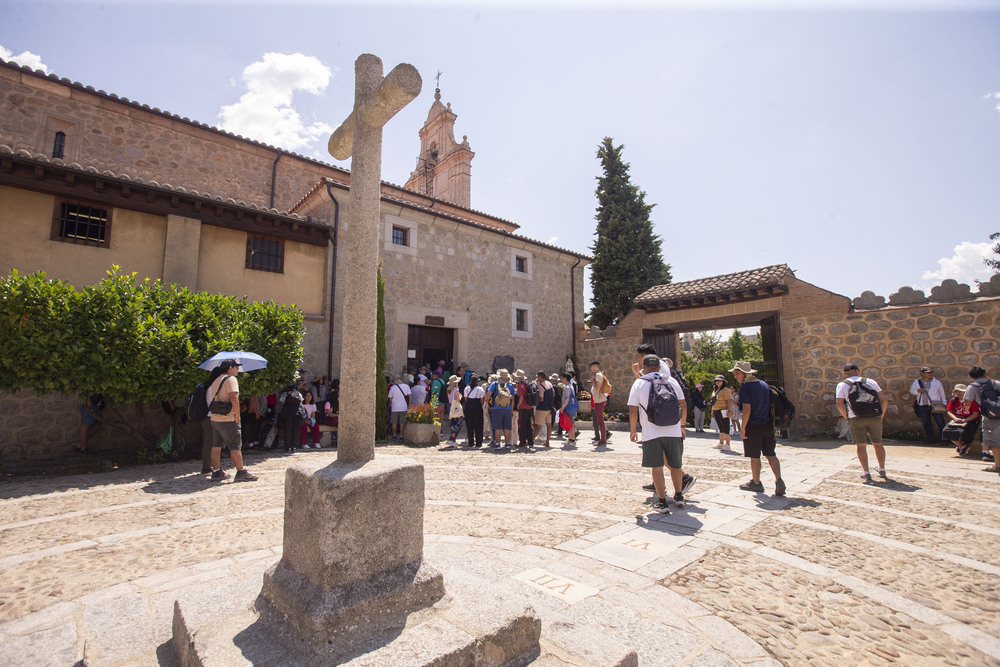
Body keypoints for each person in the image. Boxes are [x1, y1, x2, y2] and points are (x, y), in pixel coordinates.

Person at [628, 354, 689, 512]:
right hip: (673, 430)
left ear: (644, 367)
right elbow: (683, 404)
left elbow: (633, 409)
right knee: (676, 465)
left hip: (651, 432)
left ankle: (662, 502)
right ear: (660, 367)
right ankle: (679, 495)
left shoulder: (639, 383)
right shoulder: (672, 381)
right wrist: (682, 426)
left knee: (657, 467)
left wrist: (633, 430)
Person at [731, 361, 784, 496]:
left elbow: (747, 410)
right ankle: (779, 480)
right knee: (770, 453)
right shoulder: (763, 384)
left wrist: (743, 428)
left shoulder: (746, 388)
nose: (735, 376)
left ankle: (756, 482)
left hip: (753, 425)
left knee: (755, 456)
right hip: (767, 424)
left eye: (737, 374)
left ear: (743, 373)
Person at [835, 363, 889, 479]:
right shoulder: (870, 382)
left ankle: (866, 472)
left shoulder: (842, 385)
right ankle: (882, 469)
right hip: (874, 416)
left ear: (845, 373)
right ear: (857, 371)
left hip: (856, 417)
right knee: (878, 444)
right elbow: (884, 400)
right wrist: (881, 415)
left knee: (861, 445)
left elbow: (839, 404)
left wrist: (846, 416)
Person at [206, 360, 257, 481]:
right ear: (230, 368)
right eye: (236, 367)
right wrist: (237, 416)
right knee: (235, 446)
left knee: (216, 446)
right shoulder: (231, 379)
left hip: (215, 418)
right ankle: (241, 472)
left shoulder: (216, 380)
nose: (238, 369)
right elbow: (234, 397)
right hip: (228, 418)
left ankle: (216, 471)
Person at [964, 366, 1000, 473]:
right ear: (984, 374)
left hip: (990, 417)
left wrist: (967, 411)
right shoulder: (996, 383)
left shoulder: (972, 387)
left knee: (994, 441)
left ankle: (998, 465)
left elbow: (967, 403)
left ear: (971, 376)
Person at [910, 366, 947, 443]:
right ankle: (930, 438)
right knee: (926, 423)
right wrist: (918, 391)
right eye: (927, 373)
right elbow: (912, 391)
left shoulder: (936, 382)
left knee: (940, 422)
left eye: (930, 373)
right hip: (923, 405)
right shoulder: (917, 382)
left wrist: (944, 403)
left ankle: (945, 439)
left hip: (935, 404)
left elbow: (941, 393)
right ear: (922, 374)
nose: (930, 374)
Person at [945, 383, 980, 457]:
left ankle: (963, 446)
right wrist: (955, 418)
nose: (958, 393)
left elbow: (975, 413)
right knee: (947, 431)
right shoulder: (954, 400)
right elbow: (949, 411)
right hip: (957, 419)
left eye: (960, 391)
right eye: (956, 392)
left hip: (969, 419)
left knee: (963, 431)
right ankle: (962, 446)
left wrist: (966, 420)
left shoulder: (971, 401)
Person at [485, 369, 516, 448]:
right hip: (507, 408)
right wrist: (511, 410)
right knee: (507, 427)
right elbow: (512, 399)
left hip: (496, 408)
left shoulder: (494, 384)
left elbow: (488, 394)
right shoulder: (510, 385)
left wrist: (488, 403)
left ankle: (498, 444)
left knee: (497, 427)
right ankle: (507, 443)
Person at [278, 384, 305, 453]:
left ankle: (287, 447)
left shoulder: (285, 394)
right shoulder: (298, 394)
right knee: (296, 430)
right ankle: (294, 446)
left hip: (287, 414)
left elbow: (282, 403)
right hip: (297, 414)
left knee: (288, 430)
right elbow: (301, 402)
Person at [709, 375, 734, 450]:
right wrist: (713, 410)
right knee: (720, 427)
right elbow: (714, 401)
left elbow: (729, 400)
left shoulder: (726, 390)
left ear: (723, 382)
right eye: (716, 381)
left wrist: (730, 411)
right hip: (716, 410)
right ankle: (721, 442)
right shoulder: (716, 390)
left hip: (723, 410)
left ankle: (728, 444)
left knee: (726, 427)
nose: (718, 382)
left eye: (719, 381)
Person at [589, 361, 610, 445]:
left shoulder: (598, 375)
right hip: (599, 400)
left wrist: (593, 380)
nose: (590, 368)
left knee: (600, 421)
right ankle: (603, 438)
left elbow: (597, 388)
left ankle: (603, 440)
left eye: (591, 366)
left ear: (595, 366)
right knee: (599, 421)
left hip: (599, 400)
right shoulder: (599, 374)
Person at [533, 371, 556, 447]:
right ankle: (547, 441)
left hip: (542, 408)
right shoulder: (549, 383)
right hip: (549, 408)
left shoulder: (540, 387)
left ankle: (531, 440)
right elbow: (553, 394)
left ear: (540, 377)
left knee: (538, 426)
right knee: (549, 425)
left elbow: (541, 399)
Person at [513, 370, 534, 447]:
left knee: (522, 426)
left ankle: (522, 442)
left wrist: (518, 405)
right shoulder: (527, 384)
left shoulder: (520, 385)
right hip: (529, 407)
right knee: (528, 425)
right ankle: (530, 442)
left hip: (523, 407)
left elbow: (521, 397)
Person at [464, 374, 486, 448]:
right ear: (477, 382)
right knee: (478, 425)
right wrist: (480, 406)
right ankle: (478, 442)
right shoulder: (480, 389)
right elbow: (482, 400)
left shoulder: (466, 389)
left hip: (468, 407)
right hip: (477, 407)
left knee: (469, 425)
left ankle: (471, 442)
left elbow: (466, 399)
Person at [388, 376, 411, 442]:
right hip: (403, 407)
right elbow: (410, 396)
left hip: (395, 407)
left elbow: (390, 398)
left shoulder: (392, 388)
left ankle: (394, 435)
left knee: (394, 422)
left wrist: (393, 403)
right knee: (402, 422)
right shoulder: (406, 386)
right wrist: (409, 405)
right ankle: (401, 435)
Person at [446, 374, 464, 443]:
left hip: (450, 407)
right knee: (458, 424)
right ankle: (452, 439)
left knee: (452, 424)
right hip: (456, 407)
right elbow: (458, 399)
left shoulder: (448, 390)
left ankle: (452, 439)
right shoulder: (456, 389)